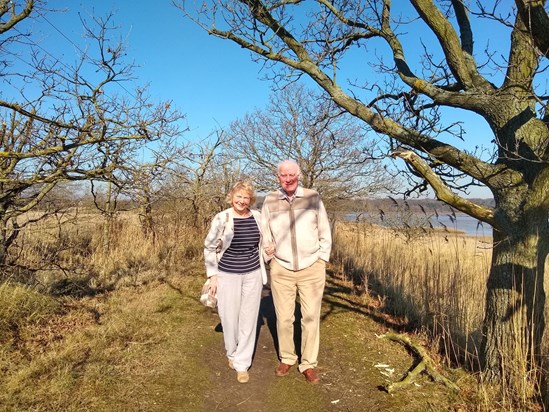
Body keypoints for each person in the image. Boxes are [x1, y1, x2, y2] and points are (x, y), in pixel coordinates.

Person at [261, 159, 332, 384]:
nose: (288, 179)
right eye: (284, 175)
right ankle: (288, 357)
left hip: (312, 267)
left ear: (299, 175)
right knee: (283, 318)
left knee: (310, 317)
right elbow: (265, 233)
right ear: (278, 177)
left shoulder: (312, 197)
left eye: (292, 174)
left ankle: (308, 363)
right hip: (281, 267)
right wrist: (269, 255)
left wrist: (321, 260)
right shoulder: (270, 200)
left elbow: (324, 232)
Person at [204, 180, 268, 384]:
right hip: (227, 274)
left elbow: (264, 244)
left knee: (249, 319)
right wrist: (212, 276)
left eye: (246, 197)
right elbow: (209, 247)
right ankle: (231, 353)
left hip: (253, 274)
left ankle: (242, 363)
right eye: (238, 196)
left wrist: (269, 251)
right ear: (232, 197)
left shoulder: (257, 217)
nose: (242, 201)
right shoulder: (222, 218)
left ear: (251, 200)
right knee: (229, 318)